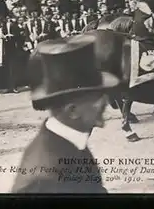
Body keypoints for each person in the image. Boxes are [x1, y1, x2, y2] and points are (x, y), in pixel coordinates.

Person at [11, 35, 119, 194]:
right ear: (72, 110)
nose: (105, 103)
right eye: (97, 98)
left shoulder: (69, 140)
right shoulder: (46, 179)